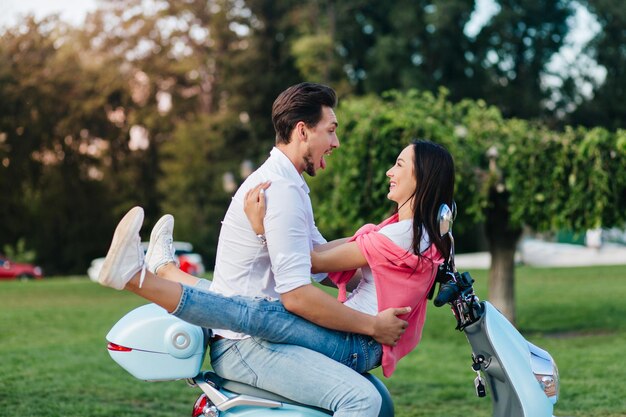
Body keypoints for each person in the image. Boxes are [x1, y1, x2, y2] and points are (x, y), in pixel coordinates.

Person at [98, 82, 410, 417]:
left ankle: (159, 269)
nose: (335, 142)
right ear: (303, 131)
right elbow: (297, 296)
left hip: (256, 334)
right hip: (249, 344)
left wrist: (378, 248)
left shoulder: (287, 183)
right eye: (330, 131)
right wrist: (372, 326)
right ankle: (137, 274)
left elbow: (318, 260)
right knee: (363, 401)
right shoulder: (280, 190)